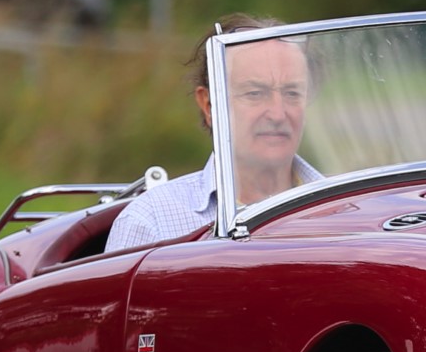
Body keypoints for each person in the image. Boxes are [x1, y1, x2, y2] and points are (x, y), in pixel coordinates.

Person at [109, 14, 322, 249]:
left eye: (292, 93)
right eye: (254, 93)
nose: (278, 114)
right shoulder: (150, 223)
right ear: (209, 105)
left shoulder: (345, 209)